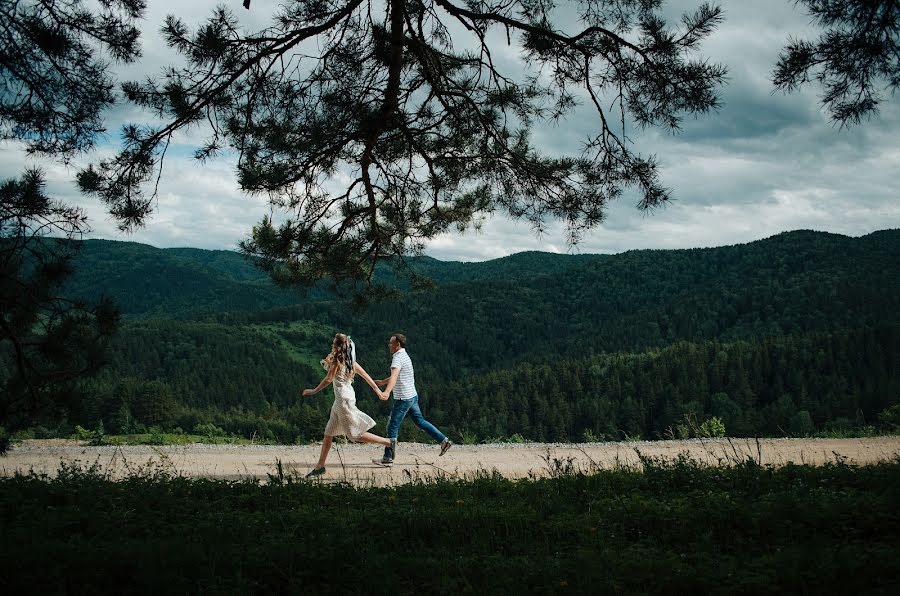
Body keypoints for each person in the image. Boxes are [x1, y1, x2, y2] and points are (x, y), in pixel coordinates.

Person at [302, 333, 395, 478]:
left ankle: (388, 442)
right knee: (328, 433)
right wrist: (379, 391)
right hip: (344, 398)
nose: (332, 345)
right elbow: (367, 377)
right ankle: (320, 467)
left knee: (354, 435)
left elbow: (328, 379)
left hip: (343, 400)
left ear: (340, 346)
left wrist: (313, 391)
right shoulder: (352, 362)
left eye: (334, 343)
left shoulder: (337, 362)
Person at [373, 333, 451, 466]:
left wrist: (386, 392)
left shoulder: (397, 358)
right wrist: (383, 382)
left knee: (391, 426)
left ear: (397, 345)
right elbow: (397, 376)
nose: (389, 345)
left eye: (391, 343)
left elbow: (395, 375)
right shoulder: (405, 355)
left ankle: (387, 458)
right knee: (420, 421)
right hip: (412, 396)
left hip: (403, 398)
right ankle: (443, 441)